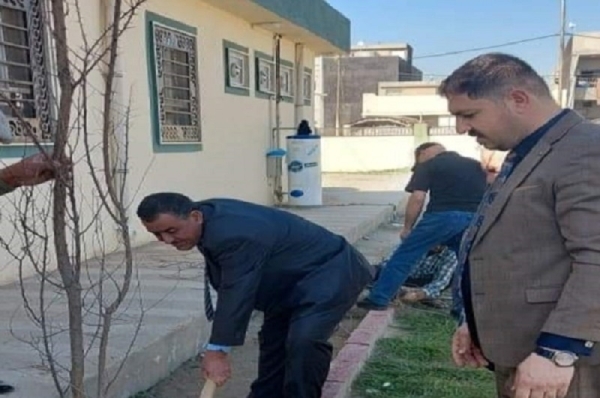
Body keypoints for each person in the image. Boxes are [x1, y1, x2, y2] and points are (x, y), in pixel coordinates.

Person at [441, 52, 600, 398]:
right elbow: (512, 246)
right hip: (523, 351)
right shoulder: (531, 150)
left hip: (568, 365)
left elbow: (596, 258)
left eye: (468, 114)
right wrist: (473, 319)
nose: (461, 128)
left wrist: (558, 350)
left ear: (517, 99)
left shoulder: (585, 150)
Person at [136, 194, 375, 398]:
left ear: (195, 217)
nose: (166, 240)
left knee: (303, 342)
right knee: (274, 345)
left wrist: (218, 351)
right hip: (288, 282)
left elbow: (236, 289)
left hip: (331, 273)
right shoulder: (204, 218)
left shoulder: (233, 233)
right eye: (157, 235)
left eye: (171, 231)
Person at [357, 142, 486, 314]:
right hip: (475, 217)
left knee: (404, 256)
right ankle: (461, 308)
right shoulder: (476, 165)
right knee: (466, 262)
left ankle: (379, 298)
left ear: (424, 153)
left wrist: (407, 227)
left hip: (441, 217)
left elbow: (418, 197)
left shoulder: (428, 165)